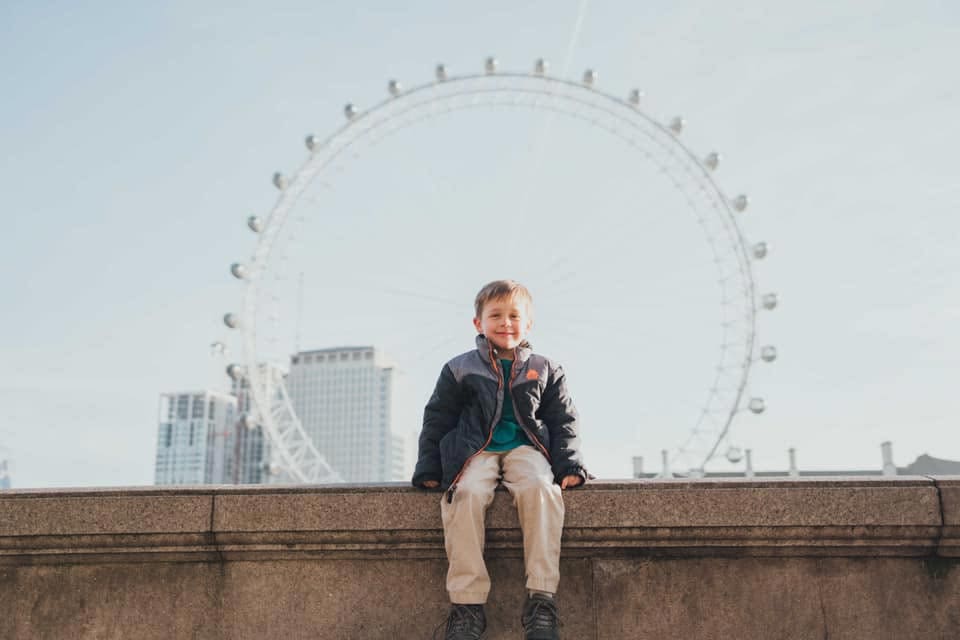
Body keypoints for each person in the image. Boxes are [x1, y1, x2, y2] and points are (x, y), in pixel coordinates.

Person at [413, 279, 587, 640]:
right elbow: (438, 418)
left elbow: (563, 420)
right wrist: (429, 466)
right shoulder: (459, 368)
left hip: (528, 449)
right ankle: (467, 605)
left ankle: (542, 601)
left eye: (514, 316)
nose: (505, 322)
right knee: (466, 495)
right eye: (496, 315)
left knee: (542, 490)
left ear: (529, 324)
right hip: (475, 449)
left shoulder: (546, 368)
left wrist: (569, 464)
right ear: (478, 323)